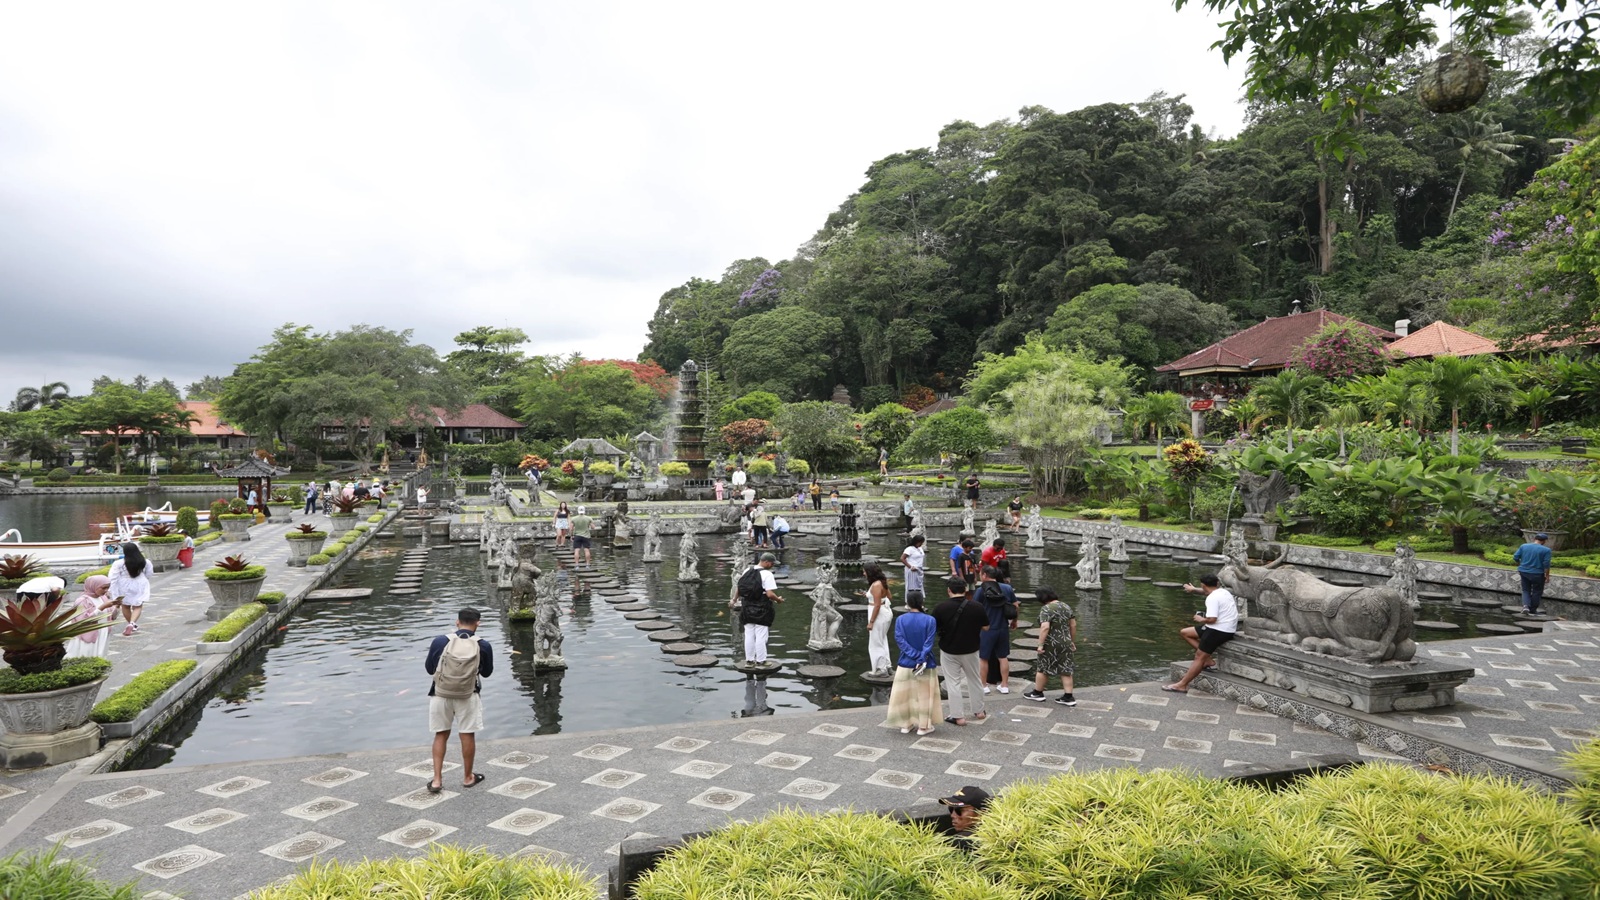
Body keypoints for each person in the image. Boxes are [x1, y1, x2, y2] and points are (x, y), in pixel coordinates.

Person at [424, 607, 493, 793]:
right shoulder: (483, 645)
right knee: (467, 734)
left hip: (440, 694)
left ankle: (437, 780)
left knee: (441, 734)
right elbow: (486, 673)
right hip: (468, 694)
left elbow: (430, 669)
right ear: (478, 623)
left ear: (457, 622)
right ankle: (468, 777)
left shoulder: (440, 641)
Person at [1163, 574, 1239, 693]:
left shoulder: (1212, 598)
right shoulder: (1223, 592)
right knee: (1185, 632)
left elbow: (1212, 619)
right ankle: (1208, 660)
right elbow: (1205, 592)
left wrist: (1201, 619)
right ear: (1217, 584)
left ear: (1203, 585)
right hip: (1224, 627)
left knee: (1199, 657)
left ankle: (1182, 684)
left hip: (1218, 630)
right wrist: (1193, 590)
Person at [933, 576, 989, 726]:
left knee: (953, 683)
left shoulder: (940, 608)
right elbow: (986, 627)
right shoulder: (977, 606)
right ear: (965, 590)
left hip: (949, 649)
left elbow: (934, 629)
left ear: (948, 590)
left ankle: (958, 716)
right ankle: (979, 711)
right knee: (974, 679)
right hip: (971, 649)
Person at [883, 593, 939, 735]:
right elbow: (929, 642)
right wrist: (921, 658)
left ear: (907, 603)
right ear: (922, 602)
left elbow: (900, 640)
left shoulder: (901, 619)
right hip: (925, 662)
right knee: (924, 695)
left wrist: (913, 655)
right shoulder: (930, 620)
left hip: (906, 662)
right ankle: (923, 726)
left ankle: (905, 724)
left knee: (904, 695)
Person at [1023, 586, 1077, 705]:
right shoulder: (1066, 606)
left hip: (1051, 643)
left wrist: (1040, 645)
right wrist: (1071, 641)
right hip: (1065, 641)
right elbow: (1073, 625)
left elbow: (1045, 627)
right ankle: (1068, 697)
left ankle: (1037, 693)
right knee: (1065, 669)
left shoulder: (1046, 609)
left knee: (1043, 668)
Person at [975, 565, 1017, 693]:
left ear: (984, 575)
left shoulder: (981, 590)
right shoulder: (1007, 588)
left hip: (987, 628)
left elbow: (975, 608)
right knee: (1003, 657)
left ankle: (984, 686)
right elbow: (1015, 606)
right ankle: (1004, 685)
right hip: (1003, 627)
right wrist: (1014, 621)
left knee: (983, 658)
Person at [738, 553, 784, 664]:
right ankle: (761, 661)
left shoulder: (747, 571)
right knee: (761, 636)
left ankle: (749, 660)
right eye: (772, 563)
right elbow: (769, 594)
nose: (772, 566)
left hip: (746, 607)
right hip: (762, 608)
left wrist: (734, 600)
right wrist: (778, 600)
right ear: (766, 562)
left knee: (749, 634)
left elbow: (739, 588)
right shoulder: (767, 574)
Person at [65, 575, 118, 659]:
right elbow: (83, 621)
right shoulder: (82, 601)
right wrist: (102, 607)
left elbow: (112, 616)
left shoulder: (103, 598)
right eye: (103, 588)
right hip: (88, 633)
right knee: (87, 655)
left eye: (108, 588)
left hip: (102, 632)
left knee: (100, 656)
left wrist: (117, 606)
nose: (106, 590)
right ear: (93, 586)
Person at [109, 542, 151, 636]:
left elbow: (113, 577)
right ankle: (132, 623)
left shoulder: (119, 563)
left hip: (124, 585)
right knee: (138, 605)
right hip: (140, 583)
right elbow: (149, 574)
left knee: (125, 606)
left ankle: (131, 624)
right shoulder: (145, 562)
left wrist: (113, 591)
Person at [938, 786, 992, 852]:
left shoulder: (962, 842)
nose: (953, 815)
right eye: (951, 809)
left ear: (981, 813)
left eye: (959, 810)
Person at [864, 563, 894, 676]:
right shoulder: (882, 582)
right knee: (882, 639)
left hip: (878, 613)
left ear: (870, 572)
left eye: (865, 571)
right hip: (885, 611)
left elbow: (876, 605)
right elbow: (889, 596)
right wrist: (868, 595)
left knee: (875, 642)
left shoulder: (876, 585)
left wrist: (871, 622)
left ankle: (881, 669)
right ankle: (887, 666)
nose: (863, 573)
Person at [1513, 532, 1552, 616]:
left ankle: (1526, 606)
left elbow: (1516, 557)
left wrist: (1520, 564)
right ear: (1544, 541)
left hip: (1523, 571)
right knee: (1537, 591)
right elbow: (1546, 564)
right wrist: (1547, 575)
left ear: (1534, 539)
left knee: (1526, 590)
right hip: (1537, 573)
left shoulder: (1524, 546)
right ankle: (1533, 610)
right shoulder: (1546, 550)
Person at [900, 535, 926, 602]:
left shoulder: (920, 549)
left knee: (919, 586)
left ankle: (918, 602)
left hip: (919, 570)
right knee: (911, 587)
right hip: (912, 570)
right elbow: (902, 558)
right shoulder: (909, 549)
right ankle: (909, 602)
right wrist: (910, 566)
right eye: (921, 542)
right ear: (916, 541)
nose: (921, 544)